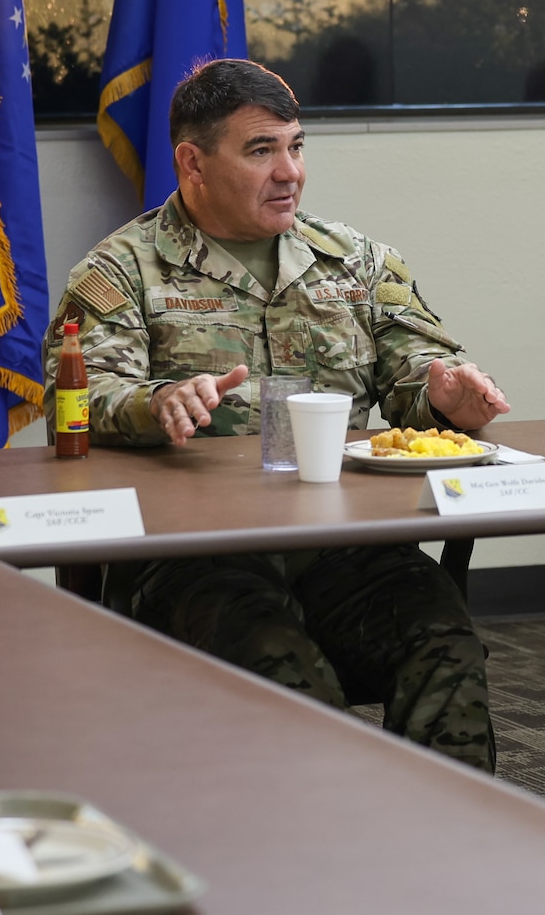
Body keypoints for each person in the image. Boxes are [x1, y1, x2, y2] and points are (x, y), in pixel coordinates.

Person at [43, 59, 508, 771]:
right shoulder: (125, 270)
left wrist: (445, 394)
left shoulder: (354, 261)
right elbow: (80, 399)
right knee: (287, 676)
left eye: (296, 146)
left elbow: (421, 371)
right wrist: (154, 402)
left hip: (346, 548)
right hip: (195, 557)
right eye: (261, 151)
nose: (289, 171)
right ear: (191, 162)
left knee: (444, 640)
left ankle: (448, 849)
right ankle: (315, 862)